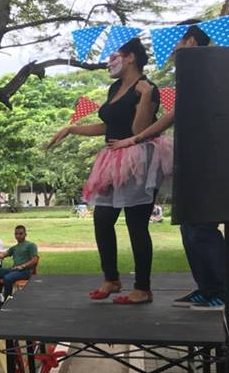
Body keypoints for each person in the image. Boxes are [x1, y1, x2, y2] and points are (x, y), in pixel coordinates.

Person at [107, 22, 229, 310]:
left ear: (189, 41)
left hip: (211, 161)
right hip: (192, 158)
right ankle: (207, 287)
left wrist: (135, 139)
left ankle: (227, 290)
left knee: (201, 227)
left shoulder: (208, 69)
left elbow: (171, 116)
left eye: (175, 42)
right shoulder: (190, 72)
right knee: (189, 227)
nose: (171, 48)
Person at [48, 37, 168, 304]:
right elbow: (109, 126)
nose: (109, 61)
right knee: (102, 219)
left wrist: (147, 96)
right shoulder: (115, 87)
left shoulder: (147, 88)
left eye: (114, 55)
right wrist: (70, 129)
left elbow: (139, 130)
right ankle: (111, 278)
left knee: (137, 225)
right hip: (112, 160)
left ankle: (142, 288)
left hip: (138, 159)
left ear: (131, 57)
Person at [0, 226, 40, 309]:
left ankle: (7, 303)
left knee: (8, 278)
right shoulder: (14, 248)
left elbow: (35, 260)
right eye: (16, 234)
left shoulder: (31, 245)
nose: (18, 236)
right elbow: (3, 255)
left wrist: (23, 266)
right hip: (14, 270)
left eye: (20, 233)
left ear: (25, 234)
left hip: (26, 271)